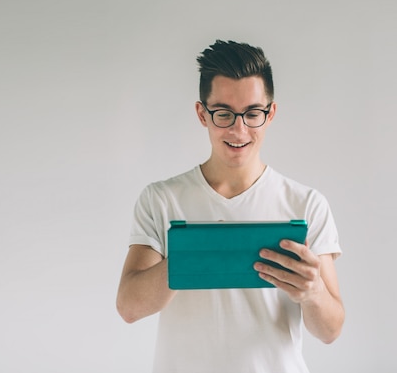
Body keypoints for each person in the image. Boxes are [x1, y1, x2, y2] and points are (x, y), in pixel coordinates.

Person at [116, 39, 345, 373]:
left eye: (252, 113)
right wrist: (195, 254)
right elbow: (129, 307)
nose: (239, 129)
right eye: (223, 114)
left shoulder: (306, 204)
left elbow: (331, 330)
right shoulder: (161, 199)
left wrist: (312, 292)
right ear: (202, 114)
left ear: (271, 114)